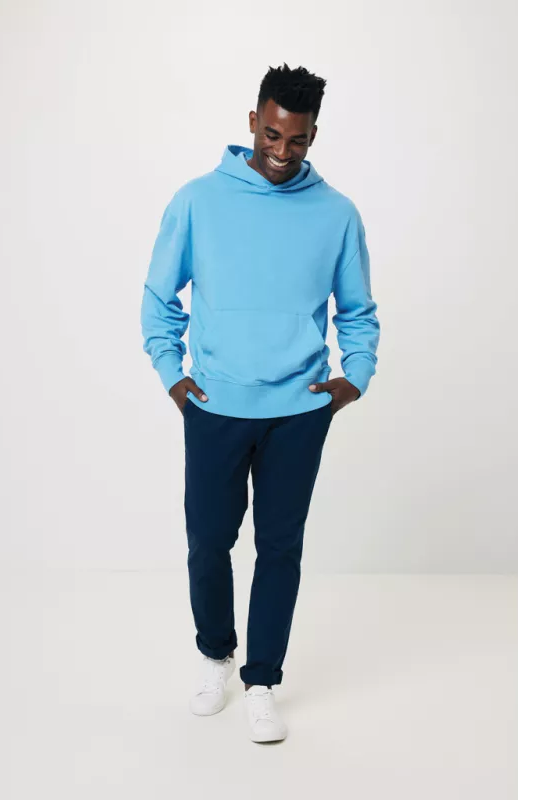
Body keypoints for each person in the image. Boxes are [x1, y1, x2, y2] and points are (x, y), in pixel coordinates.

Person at [140, 63, 380, 743]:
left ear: (313, 136)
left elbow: (357, 310)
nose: (281, 151)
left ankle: (263, 680)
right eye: (272, 135)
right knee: (208, 542)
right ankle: (215, 654)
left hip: (299, 411)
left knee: (280, 547)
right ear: (253, 121)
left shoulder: (336, 213)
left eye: (297, 140)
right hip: (215, 405)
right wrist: (173, 375)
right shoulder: (197, 201)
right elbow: (159, 297)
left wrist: (355, 375)